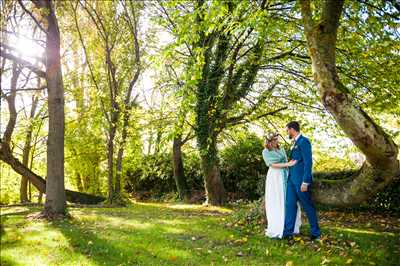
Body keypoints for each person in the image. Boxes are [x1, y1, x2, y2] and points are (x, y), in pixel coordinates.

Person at [283, 121, 321, 241]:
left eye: (287, 130)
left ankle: (315, 232)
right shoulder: (293, 143)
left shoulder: (304, 141)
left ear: (292, 129)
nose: (287, 132)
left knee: (307, 206)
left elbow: (308, 162)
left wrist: (305, 181)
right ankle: (288, 233)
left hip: (301, 181)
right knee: (289, 205)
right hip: (291, 181)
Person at [262, 132, 301, 239]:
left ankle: (290, 226)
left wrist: (291, 163)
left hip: (285, 174)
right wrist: (287, 164)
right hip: (275, 177)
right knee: (278, 199)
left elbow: (285, 160)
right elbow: (272, 165)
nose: (276, 141)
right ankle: (277, 227)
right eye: (274, 140)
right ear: (269, 141)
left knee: (288, 199)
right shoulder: (266, 152)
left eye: (277, 139)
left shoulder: (281, 149)